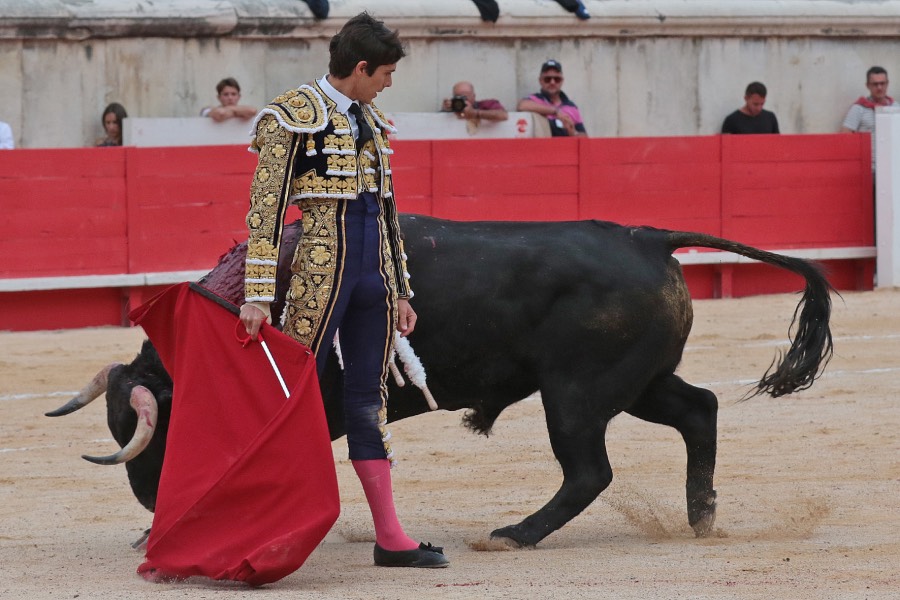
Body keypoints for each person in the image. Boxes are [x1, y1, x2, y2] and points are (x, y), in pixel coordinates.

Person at [239, 12, 449, 569]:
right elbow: (265, 215)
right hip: (318, 276)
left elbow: (387, 209)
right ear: (360, 68)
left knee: (367, 401)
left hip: (370, 280)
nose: (389, 82)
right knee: (291, 398)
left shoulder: (373, 120)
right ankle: (264, 523)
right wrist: (258, 293)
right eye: (384, 72)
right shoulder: (291, 117)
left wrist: (400, 288)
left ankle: (390, 536)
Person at [841, 65, 899, 167]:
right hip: (869, 169)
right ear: (868, 85)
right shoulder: (859, 108)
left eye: (882, 83)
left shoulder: (896, 108)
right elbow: (845, 137)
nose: (879, 87)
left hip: (893, 166)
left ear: (887, 84)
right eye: (875, 84)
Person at [517, 60, 587, 137]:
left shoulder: (572, 107)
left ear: (562, 81)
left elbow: (584, 137)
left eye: (557, 79)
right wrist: (555, 111)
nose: (552, 82)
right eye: (547, 79)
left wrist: (572, 132)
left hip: (565, 147)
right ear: (540, 81)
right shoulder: (535, 99)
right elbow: (521, 105)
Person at [441, 81, 508, 122]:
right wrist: (445, 112)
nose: (462, 100)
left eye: (465, 97)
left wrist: (475, 113)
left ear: (474, 96)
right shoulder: (452, 108)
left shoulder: (485, 105)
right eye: (458, 97)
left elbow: (503, 115)